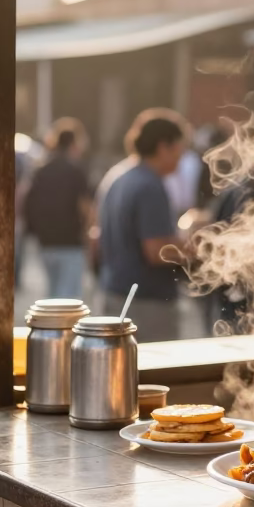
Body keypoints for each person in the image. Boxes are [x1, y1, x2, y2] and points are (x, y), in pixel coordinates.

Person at [96, 109, 188, 342]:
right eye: (179, 147)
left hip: (115, 293)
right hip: (146, 304)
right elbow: (157, 251)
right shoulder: (149, 185)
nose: (182, 155)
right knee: (151, 373)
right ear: (163, 147)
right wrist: (198, 248)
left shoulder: (118, 175)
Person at [23, 118, 91, 298]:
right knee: (68, 299)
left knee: (53, 294)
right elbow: (85, 207)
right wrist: (89, 236)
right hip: (70, 242)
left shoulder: (40, 170)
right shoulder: (76, 170)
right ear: (74, 143)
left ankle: (52, 327)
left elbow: (27, 200)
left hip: (45, 241)